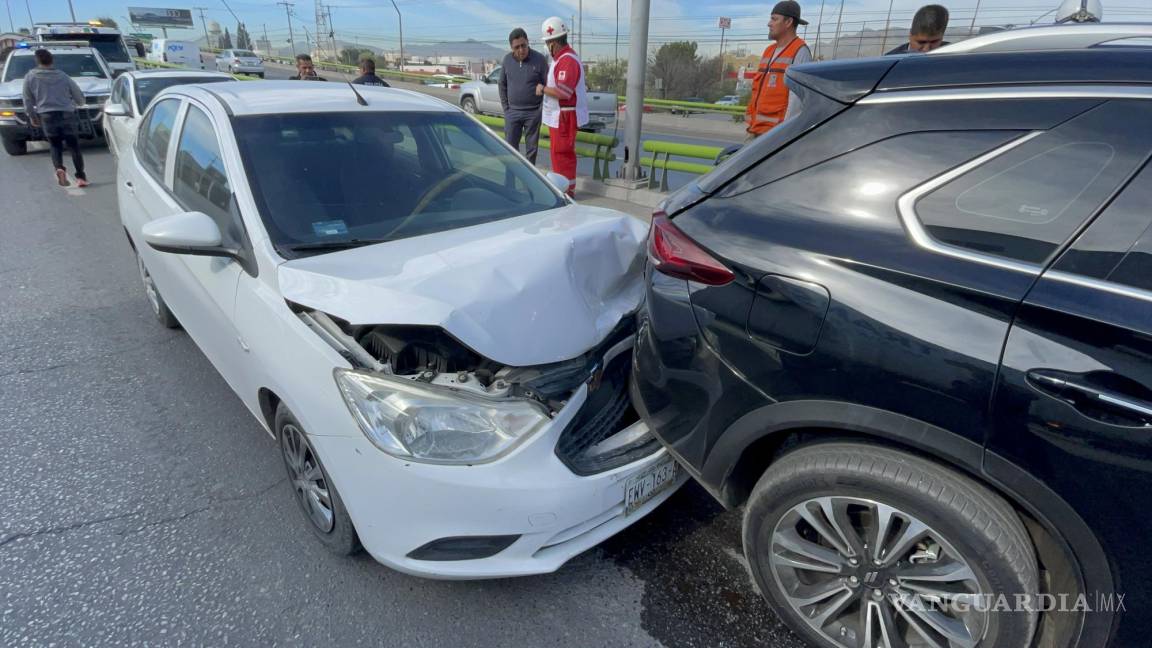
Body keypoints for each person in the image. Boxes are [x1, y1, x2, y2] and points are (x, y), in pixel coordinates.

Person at [535, 17, 588, 197]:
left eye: (548, 42)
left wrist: (543, 89)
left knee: (562, 155)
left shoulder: (567, 61)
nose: (547, 46)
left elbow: (564, 93)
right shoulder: (561, 59)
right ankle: (563, 188)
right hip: (560, 116)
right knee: (558, 155)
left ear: (554, 42)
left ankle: (567, 191)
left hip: (565, 116)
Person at [745, 1, 811, 140]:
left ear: (788, 22)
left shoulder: (800, 51)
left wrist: (785, 136)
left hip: (776, 136)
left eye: (774, 19)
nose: (769, 23)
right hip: (755, 131)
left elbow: (796, 101)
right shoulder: (768, 51)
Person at [22, 49, 88, 188]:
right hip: (67, 114)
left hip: (46, 115)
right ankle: (80, 177)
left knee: (55, 145)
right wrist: (78, 103)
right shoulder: (63, 76)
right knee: (74, 146)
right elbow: (79, 96)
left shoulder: (30, 77)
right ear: (52, 60)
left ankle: (59, 168)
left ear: (37, 61)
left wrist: (32, 116)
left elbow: (27, 100)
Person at [498, 27, 548, 164]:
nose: (521, 50)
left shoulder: (540, 60)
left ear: (528, 42)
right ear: (511, 47)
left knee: (531, 152)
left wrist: (540, 110)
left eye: (523, 45)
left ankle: (528, 183)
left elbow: (548, 85)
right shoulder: (507, 60)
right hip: (512, 113)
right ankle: (510, 181)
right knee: (510, 150)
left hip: (533, 113)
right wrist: (506, 109)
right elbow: (502, 84)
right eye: (517, 47)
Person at [886, 5, 950, 54]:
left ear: (942, 36)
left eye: (934, 42)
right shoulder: (890, 62)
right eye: (921, 42)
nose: (926, 49)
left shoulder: (954, 54)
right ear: (910, 36)